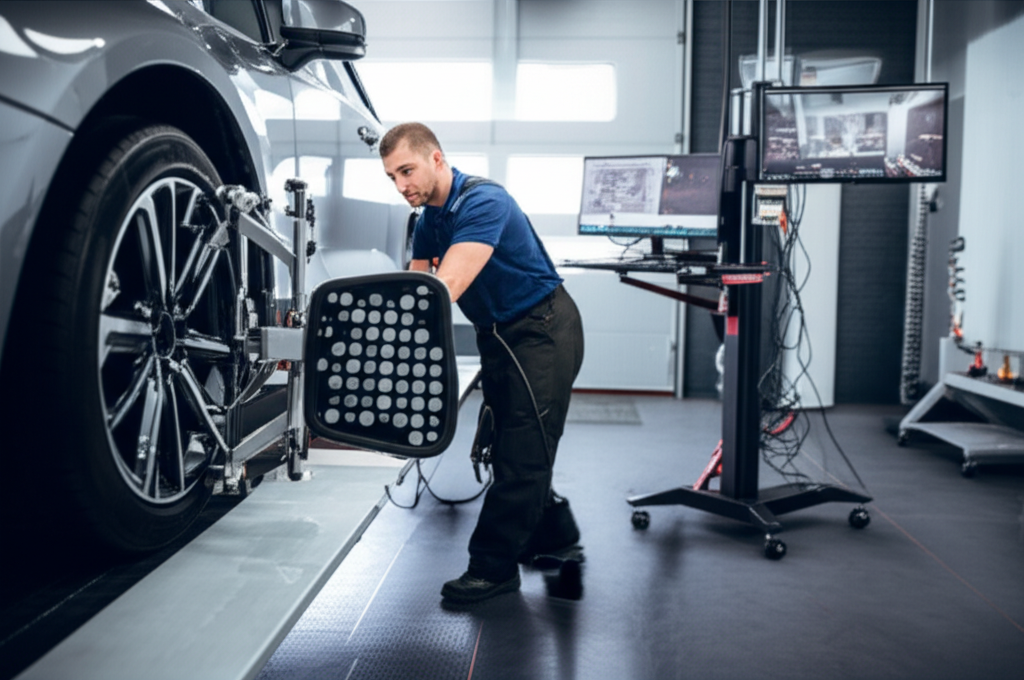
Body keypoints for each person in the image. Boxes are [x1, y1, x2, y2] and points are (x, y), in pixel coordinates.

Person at [380, 122, 585, 605]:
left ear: (437, 159)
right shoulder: (429, 219)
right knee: (508, 443)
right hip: (498, 334)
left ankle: (492, 569)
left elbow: (442, 289)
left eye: (407, 170)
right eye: (391, 177)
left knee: (523, 452)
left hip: (542, 328)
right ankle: (555, 530)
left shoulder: (482, 202)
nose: (401, 185)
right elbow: (415, 288)